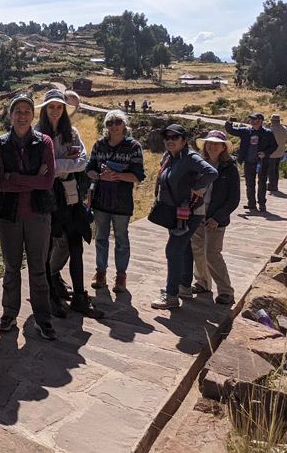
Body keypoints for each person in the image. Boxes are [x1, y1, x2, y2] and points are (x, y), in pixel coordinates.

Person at [0, 94, 60, 339]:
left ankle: (43, 319)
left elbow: (47, 181)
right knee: (11, 268)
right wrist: (30, 179)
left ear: (33, 115)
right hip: (9, 215)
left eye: (26, 111)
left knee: (38, 269)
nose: (22, 115)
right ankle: (9, 314)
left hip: (38, 214)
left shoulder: (44, 142)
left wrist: (15, 178)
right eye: (17, 111)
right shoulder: (0, 144)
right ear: (10, 115)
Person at [37, 90, 104, 318]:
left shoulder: (72, 132)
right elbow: (40, 165)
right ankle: (49, 296)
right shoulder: (37, 133)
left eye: (59, 107)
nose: (55, 111)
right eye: (51, 107)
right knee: (47, 245)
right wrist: (67, 163)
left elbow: (81, 161)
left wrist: (56, 166)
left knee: (76, 243)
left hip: (70, 193)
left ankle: (79, 296)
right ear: (45, 110)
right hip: (47, 194)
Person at [151, 124, 218, 310]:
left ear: (184, 140)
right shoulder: (169, 157)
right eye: (167, 137)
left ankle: (171, 296)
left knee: (172, 251)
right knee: (183, 249)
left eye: (175, 137)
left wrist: (196, 185)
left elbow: (212, 172)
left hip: (189, 213)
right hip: (176, 212)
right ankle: (184, 287)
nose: (170, 140)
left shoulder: (190, 157)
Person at [85, 110, 145, 293]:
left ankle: (121, 276)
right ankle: (101, 272)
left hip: (122, 202)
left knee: (121, 239)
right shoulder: (99, 144)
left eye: (117, 121)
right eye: (109, 122)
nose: (114, 126)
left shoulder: (134, 146)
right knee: (101, 238)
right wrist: (101, 176)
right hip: (101, 201)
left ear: (124, 124)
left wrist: (116, 176)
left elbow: (138, 176)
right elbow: (89, 169)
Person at [189, 131, 240, 305]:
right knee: (197, 249)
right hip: (197, 212)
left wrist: (217, 218)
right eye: (209, 143)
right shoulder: (199, 164)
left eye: (217, 144)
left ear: (224, 147)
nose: (212, 146)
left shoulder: (229, 167)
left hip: (216, 216)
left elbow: (233, 198)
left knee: (212, 253)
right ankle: (202, 282)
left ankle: (226, 291)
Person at [226, 113, 277, 212]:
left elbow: (274, 146)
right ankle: (251, 204)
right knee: (249, 184)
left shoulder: (268, 133)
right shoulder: (246, 131)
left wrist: (265, 153)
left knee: (262, 183)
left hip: (262, 163)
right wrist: (229, 123)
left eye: (255, 119)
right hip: (249, 162)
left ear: (261, 121)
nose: (252, 121)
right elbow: (232, 131)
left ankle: (262, 204)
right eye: (251, 119)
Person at [267, 114, 287, 194]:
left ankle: (272, 186)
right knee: (276, 169)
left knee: (271, 170)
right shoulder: (284, 128)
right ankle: (275, 185)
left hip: (273, 151)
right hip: (281, 150)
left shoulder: (272, 130)